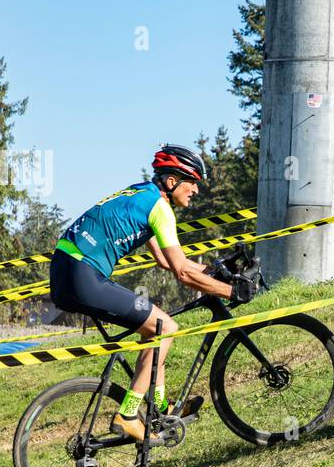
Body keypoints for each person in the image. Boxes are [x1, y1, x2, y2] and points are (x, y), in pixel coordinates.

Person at [49, 144, 237, 443]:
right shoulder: (160, 209)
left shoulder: (140, 194)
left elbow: (167, 261)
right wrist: (230, 290)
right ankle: (127, 415)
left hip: (67, 271)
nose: (196, 191)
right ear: (173, 181)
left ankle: (161, 408)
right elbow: (182, 272)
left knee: (154, 330)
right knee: (167, 327)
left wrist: (216, 271)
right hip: (84, 275)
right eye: (193, 183)